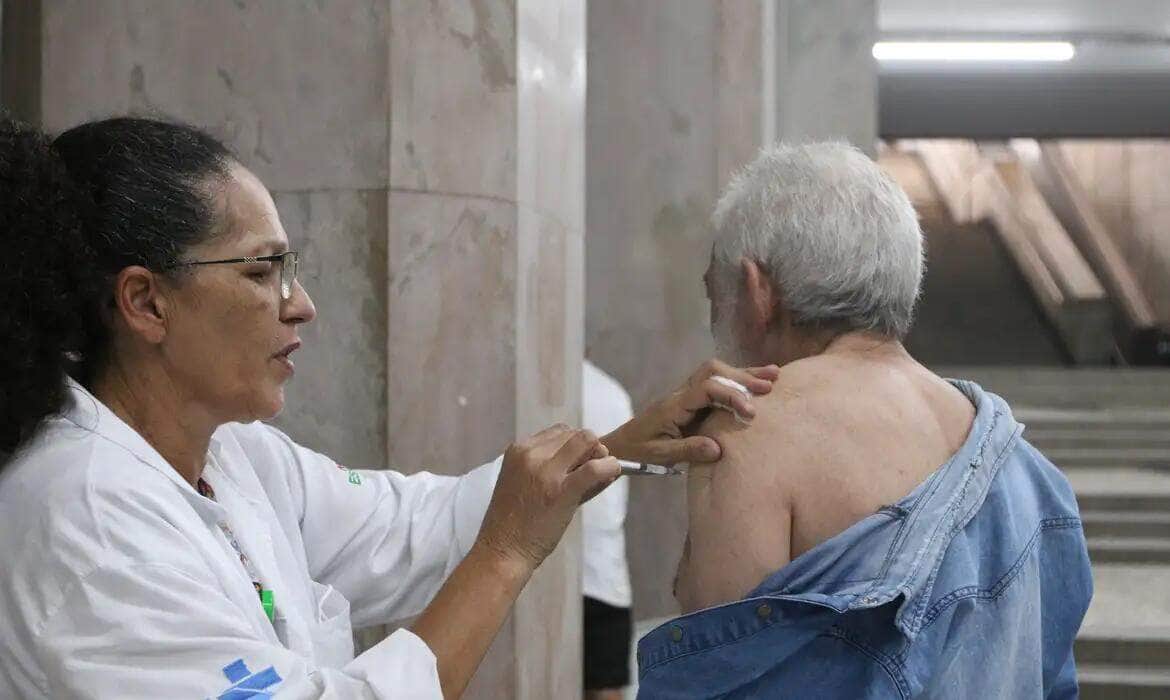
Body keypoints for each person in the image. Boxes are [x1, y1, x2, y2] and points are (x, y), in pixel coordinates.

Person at [0, 115, 781, 699]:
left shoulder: (235, 457)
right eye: (262, 271)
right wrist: (505, 558)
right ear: (146, 302)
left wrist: (608, 446)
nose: (300, 305)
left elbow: (410, 527)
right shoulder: (84, 515)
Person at [638, 143, 1093, 698]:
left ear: (758, 291)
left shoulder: (751, 429)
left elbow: (716, 682)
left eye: (715, 290)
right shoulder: (1032, 476)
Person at [580, 359, 635, 699]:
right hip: (605, 570)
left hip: (580, 566)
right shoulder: (612, 392)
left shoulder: (543, 390)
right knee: (606, 688)